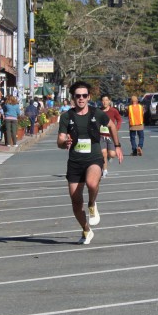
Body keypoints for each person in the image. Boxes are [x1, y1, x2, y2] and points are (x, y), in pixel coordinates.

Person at [57, 81, 123, 245]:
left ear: (89, 97)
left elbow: (112, 126)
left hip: (94, 157)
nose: (81, 98)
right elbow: (60, 140)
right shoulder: (66, 117)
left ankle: (92, 204)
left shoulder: (97, 113)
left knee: (92, 183)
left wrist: (117, 146)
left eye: (84, 95)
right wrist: (64, 143)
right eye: (78, 96)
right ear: (73, 98)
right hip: (75, 161)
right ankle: (86, 230)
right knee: (76, 202)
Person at [99, 96, 123, 177]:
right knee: (103, 153)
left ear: (109, 101)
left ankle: (110, 156)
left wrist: (116, 128)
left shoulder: (113, 111)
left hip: (111, 135)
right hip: (101, 135)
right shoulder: (99, 111)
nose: (104, 102)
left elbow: (119, 119)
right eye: (103, 100)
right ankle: (105, 170)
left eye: (106, 100)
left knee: (112, 154)